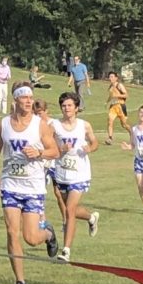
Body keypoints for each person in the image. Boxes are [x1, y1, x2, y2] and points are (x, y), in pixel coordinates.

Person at [0, 84, 59, 284]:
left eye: (31, 98)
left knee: (31, 237)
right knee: (11, 232)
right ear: (15, 101)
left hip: (33, 186)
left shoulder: (40, 125)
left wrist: (38, 153)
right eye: (24, 98)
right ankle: (20, 282)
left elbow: (54, 151)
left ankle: (47, 234)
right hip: (10, 184)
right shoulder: (3, 124)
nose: (29, 101)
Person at [52, 92, 100, 263]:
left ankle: (66, 251)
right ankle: (91, 217)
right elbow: (48, 145)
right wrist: (60, 148)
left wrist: (90, 148)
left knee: (70, 210)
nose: (67, 109)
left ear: (76, 107)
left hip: (79, 173)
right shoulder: (54, 125)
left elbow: (95, 142)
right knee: (68, 209)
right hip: (62, 172)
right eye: (64, 106)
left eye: (70, 105)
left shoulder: (84, 125)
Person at [32, 99, 65, 225]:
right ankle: (42, 219)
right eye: (36, 113)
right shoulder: (35, 125)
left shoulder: (53, 124)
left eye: (40, 113)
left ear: (46, 111)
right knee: (39, 190)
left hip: (55, 163)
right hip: (42, 162)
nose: (38, 116)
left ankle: (65, 220)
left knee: (59, 193)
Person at [105, 71, 131, 145]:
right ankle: (110, 138)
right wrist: (107, 102)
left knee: (124, 125)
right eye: (109, 77)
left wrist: (117, 96)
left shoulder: (119, 85)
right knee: (110, 121)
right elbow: (111, 96)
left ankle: (132, 134)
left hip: (120, 106)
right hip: (113, 106)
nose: (110, 78)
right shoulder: (110, 86)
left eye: (112, 77)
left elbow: (126, 95)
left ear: (116, 78)